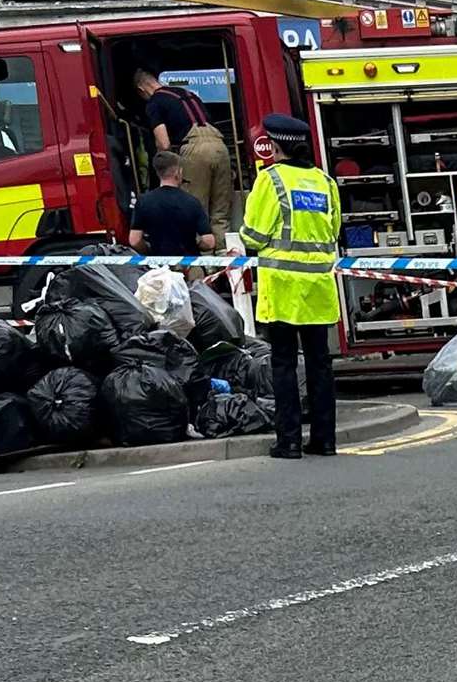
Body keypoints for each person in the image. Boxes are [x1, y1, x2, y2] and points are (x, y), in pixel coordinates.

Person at [239, 114, 341, 459]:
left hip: (282, 289)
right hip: (319, 288)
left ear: (275, 144)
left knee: (283, 364)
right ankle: (325, 440)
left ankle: (290, 441)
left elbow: (253, 234)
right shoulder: (325, 182)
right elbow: (334, 230)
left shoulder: (271, 180)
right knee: (320, 364)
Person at [135, 69, 233, 242]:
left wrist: (161, 167)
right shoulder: (187, 94)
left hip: (195, 150)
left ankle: (204, 264)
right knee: (220, 213)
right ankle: (225, 256)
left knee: (196, 212)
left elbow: (164, 143)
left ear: (141, 89)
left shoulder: (154, 103)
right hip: (220, 146)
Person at [128, 151, 216, 259]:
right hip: (189, 264)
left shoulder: (143, 201)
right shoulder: (192, 202)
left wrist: (149, 252)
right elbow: (209, 241)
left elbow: (134, 240)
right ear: (177, 172)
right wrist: (195, 248)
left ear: (158, 172)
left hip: (160, 267)